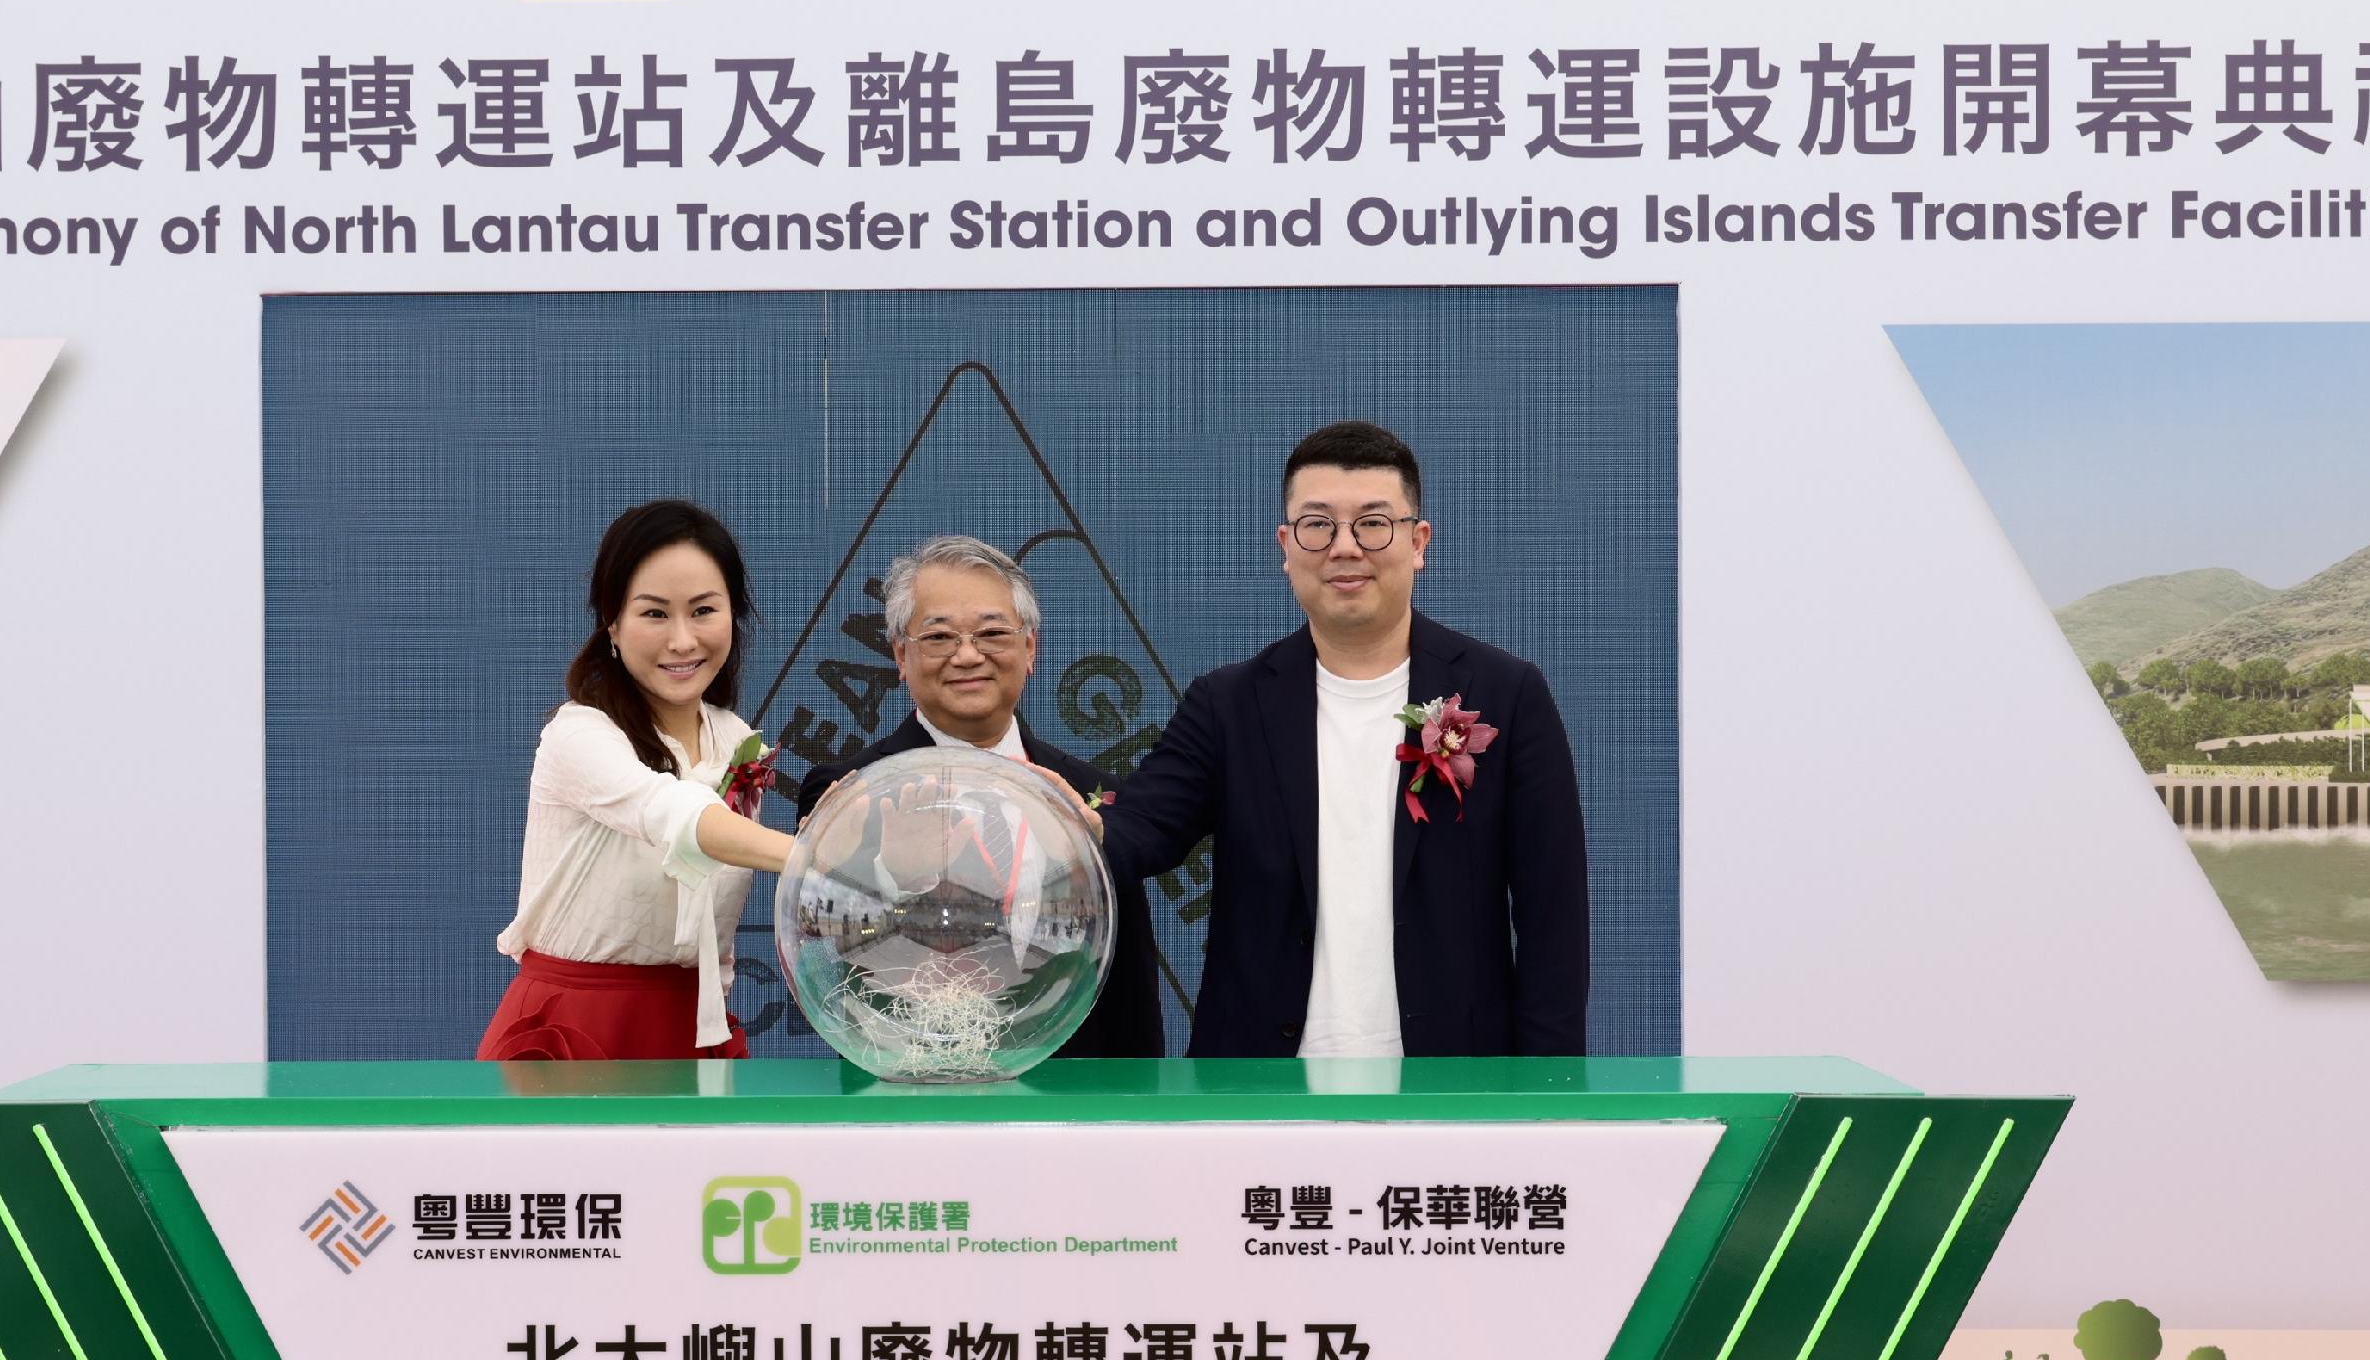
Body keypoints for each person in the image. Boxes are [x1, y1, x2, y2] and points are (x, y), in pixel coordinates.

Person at [1095, 420, 1586, 1060]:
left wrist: (1550, 1090)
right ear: (1286, 545)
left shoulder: (1507, 693)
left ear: (1418, 542)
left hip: (1453, 1078)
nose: (1345, 547)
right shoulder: (1228, 704)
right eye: (1318, 524)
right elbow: (1141, 829)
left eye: (1373, 523)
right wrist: (1070, 827)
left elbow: (1554, 915)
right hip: (1261, 1084)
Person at [795, 534, 1165, 1061]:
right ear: (901, 654)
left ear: (1030, 647)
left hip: (1081, 1095)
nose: (968, 655)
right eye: (939, 637)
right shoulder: (850, 792)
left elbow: (1126, 977)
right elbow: (822, 946)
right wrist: (898, 876)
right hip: (907, 1087)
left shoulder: (1093, 794)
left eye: (992, 632)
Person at [482, 499, 801, 1060]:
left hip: (693, 1026)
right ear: (613, 622)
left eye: (703, 610)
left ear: (734, 614)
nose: (682, 641)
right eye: (654, 614)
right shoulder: (579, 733)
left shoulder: (737, 740)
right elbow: (672, 814)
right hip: (577, 1024)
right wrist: (817, 856)